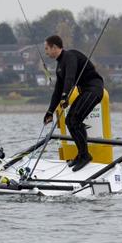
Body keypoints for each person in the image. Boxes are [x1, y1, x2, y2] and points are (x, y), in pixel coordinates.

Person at [43, 34, 104, 172]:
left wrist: (65, 96)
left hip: (94, 90)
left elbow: (70, 78)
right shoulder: (60, 66)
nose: (45, 52)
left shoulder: (70, 56)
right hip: (85, 92)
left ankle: (85, 155)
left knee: (74, 119)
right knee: (69, 120)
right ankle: (82, 154)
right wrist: (50, 112)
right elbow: (57, 91)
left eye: (46, 49)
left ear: (54, 47)